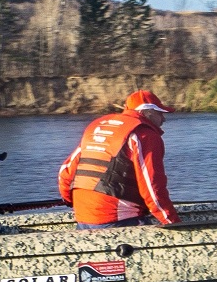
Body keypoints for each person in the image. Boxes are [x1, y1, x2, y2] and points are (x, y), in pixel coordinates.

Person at [58, 90, 181, 228]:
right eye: (160, 113)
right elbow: (152, 185)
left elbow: (65, 172)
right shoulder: (144, 134)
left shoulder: (97, 127)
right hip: (117, 219)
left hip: (82, 216)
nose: (164, 119)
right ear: (148, 112)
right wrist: (173, 222)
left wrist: (70, 201)